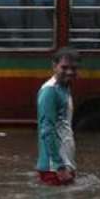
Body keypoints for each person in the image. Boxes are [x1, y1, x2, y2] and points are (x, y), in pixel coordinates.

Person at [36, 47, 79, 186]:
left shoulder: (64, 88)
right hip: (54, 168)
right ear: (54, 66)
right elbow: (47, 130)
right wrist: (59, 167)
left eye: (74, 68)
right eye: (64, 67)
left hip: (65, 163)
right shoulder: (50, 91)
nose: (70, 72)